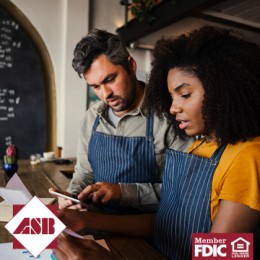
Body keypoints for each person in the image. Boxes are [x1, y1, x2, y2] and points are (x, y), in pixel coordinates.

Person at [52, 26, 260, 259]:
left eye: (185, 94)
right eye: (172, 97)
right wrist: (88, 219)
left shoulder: (248, 157)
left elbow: (220, 254)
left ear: (221, 88)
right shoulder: (200, 146)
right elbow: (166, 223)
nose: (172, 108)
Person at [53, 29, 192, 212]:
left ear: (131, 65)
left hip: (152, 234)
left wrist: (124, 192)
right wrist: (71, 195)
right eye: (95, 87)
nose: (105, 94)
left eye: (110, 79)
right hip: (99, 227)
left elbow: (184, 190)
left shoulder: (171, 117)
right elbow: (85, 173)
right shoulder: (91, 119)